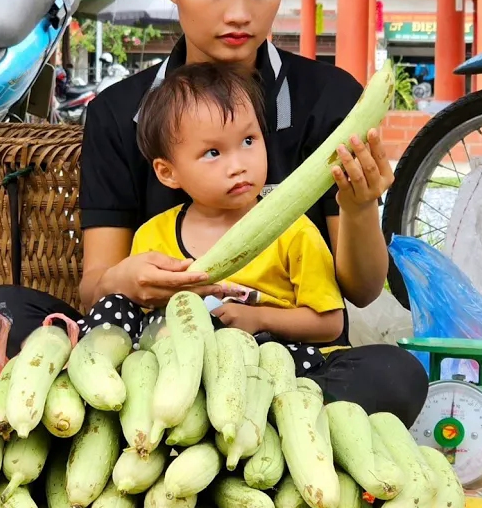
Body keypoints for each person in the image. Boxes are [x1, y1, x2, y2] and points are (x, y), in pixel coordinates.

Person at [0, 0, 428, 425]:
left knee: (397, 374)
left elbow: (358, 291)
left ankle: (170, 425)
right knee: (5, 309)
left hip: (283, 360)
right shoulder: (120, 113)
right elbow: (96, 283)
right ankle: (227, 426)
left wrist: (356, 210)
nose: (241, 14)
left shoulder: (328, 100)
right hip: (150, 353)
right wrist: (128, 279)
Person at [103, 62, 345, 373]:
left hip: (271, 366)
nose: (238, 165)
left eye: (248, 141)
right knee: (115, 308)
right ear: (168, 172)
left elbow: (330, 323)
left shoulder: (292, 229)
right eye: (213, 153)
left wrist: (259, 319)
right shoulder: (153, 236)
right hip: (180, 370)